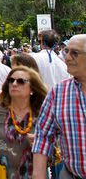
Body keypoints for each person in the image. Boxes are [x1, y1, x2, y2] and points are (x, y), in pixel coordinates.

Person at [32, 34, 86, 179]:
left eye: (74, 53)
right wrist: (39, 174)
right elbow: (43, 136)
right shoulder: (58, 92)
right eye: (66, 51)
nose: (67, 57)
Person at [0, 66, 48, 179]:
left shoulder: (43, 115)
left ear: (32, 89)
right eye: (11, 80)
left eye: (21, 81)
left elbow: (56, 156)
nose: (15, 84)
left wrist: (41, 146)